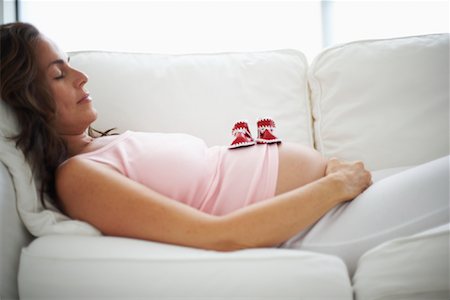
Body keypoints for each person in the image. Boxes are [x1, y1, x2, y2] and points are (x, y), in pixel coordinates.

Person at [1, 22, 448, 275]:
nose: (81, 78)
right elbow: (217, 236)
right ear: (24, 98)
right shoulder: (78, 178)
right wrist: (334, 186)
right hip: (311, 227)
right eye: (58, 75)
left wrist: (331, 172)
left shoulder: (104, 147)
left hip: (330, 199)